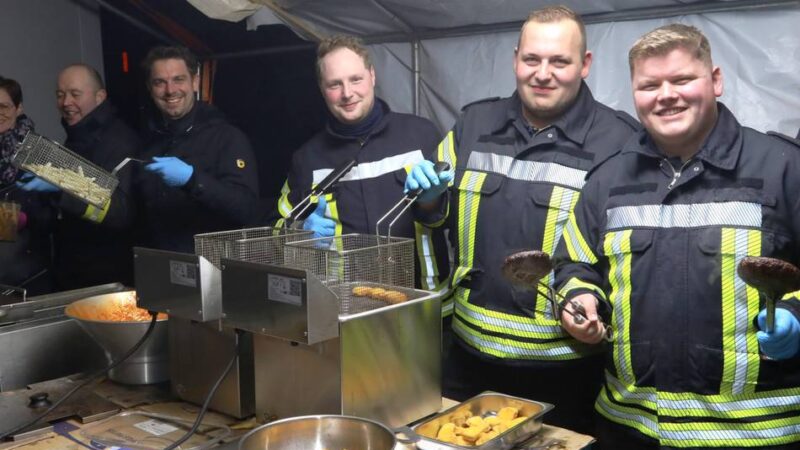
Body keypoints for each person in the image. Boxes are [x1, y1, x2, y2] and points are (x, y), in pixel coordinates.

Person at [554, 24, 800, 449]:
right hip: (630, 430)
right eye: (650, 85)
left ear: (716, 81)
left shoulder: (783, 168)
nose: (666, 95)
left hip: (758, 436)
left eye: (682, 79)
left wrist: (797, 315)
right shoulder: (608, 180)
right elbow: (573, 263)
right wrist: (580, 297)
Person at [405, 5, 639, 433]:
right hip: (468, 362)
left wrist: (595, 309)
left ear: (585, 64)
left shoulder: (620, 142)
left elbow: (629, 257)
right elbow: (434, 221)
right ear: (516, 59)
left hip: (566, 374)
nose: (542, 74)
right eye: (532, 59)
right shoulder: (473, 124)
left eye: (559, 61)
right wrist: (427, 203)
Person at [276, 35, 449, 290]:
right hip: (346, 303)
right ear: (322, 89)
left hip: (424, 300)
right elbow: (279, 230)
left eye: (355, 79)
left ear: (372, 76)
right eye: (335, 84)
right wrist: (300, 233)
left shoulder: (421, 134)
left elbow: (458, 223)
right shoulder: (307, 159)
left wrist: (432, 203)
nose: (347, 93)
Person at [18, 64, 139, 289]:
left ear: (100, 97)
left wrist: (62, 185)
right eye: (60, 94)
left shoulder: (119, 141)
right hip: (74, 268)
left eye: (75, 94)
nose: (66, 102)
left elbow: (121, 213)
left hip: (107, 275)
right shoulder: (77, 137)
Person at [137, 46, 259, 253]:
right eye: (160, 82)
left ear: (194, 82)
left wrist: (193, 180)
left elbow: (246, 209)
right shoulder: (149, 141)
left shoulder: (226, 137)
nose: (170, 90)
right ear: (150, 88)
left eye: (178, 79)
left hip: (211, 264)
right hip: (161, 262)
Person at [0, 76, 53, 295]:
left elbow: (50, 213)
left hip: (27, 274)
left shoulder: (38, 151)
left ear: (18, 108)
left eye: (3, 107)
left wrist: (11, 219)